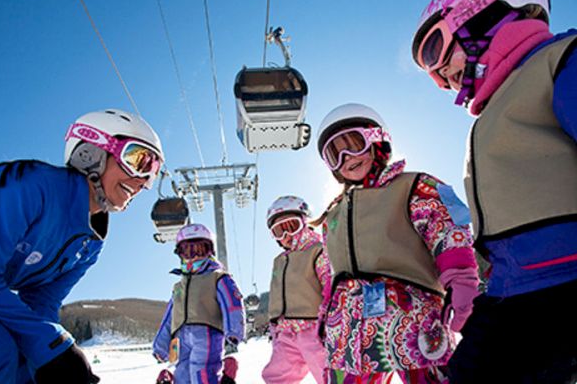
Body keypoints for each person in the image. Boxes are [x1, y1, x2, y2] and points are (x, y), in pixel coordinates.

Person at [411, 0, 577, 382]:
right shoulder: (494, 112)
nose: (439, 77)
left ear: (478, 13)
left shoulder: (559, 62)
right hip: (512, 291)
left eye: (435, 50)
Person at [0, 109, 164, 384]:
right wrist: (55, 345)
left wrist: (56, 358)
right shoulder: (27, 186)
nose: (142, 183)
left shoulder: (89, 244)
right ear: (90, 152)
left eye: (153, 173)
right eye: (138, 160)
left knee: (27, 362)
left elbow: (42, 302)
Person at [315, 103, 479, 383]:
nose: (346, 157)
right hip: (348, 331)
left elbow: (448, 231)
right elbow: (332, 272)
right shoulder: (333, 214)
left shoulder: (415, 185)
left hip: (412, 316)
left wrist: (463, 281)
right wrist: (325, 314)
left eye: (353, 143)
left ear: (376, 139)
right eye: (334, 153)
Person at [152, 223, 245, 384]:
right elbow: (169, 317)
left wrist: (234, 330)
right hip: (180, 339)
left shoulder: (217, 277)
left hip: (207, 333)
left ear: (210, 252)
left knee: (202, 371)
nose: (193, 256)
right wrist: (161, 346)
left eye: (199, 250)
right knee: (182, 374)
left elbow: (232, 302)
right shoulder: (178, 287)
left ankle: (224, 379)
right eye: (187, 251)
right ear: (180, 254)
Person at [261, 196, 331, 384]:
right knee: (276, 377)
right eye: (278, 231)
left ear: (305, 222)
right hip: (286, 334)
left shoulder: (317, 250)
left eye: (291, 226)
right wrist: (275, 327)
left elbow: (329, 283)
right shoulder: (280, 261)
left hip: (314, 329)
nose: (286, 236)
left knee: (329, 374)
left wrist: (330, 319)